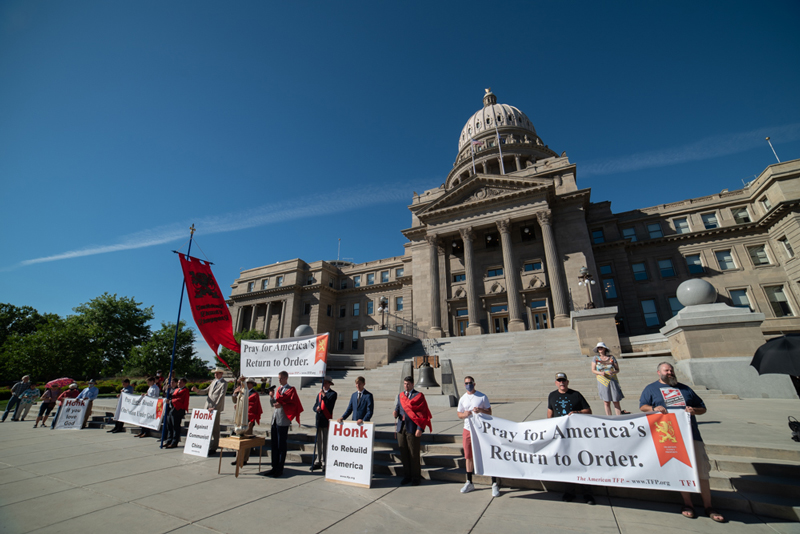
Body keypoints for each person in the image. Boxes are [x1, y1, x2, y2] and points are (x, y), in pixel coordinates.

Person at [640, 362, 725, 523]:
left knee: (702, 472)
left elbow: (702, 408)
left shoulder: (685, 389)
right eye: (667, 370)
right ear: (659, 372)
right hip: (670, 437)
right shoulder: (651, 389)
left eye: (671, 370)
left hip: (691, 434)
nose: (670, 372)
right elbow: (643, 406)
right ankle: (688, 504)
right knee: (680, 470)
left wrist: (694, 411)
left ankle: (709, 506)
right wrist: (654, 409)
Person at [547, 372, 594, 505]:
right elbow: (550, 411)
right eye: (559, 381)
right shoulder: (552, 395)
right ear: (556, 382)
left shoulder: (576, 395)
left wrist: (577, 413)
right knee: (566, 463)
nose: (561, 383)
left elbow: (588, 411)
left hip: (576, 435)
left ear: (568, 382)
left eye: (563, 380)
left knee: (582, 462)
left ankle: (588, 493)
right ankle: (569, 491)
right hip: (561, 435)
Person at [457, 376, 498, 496]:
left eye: (470, 383)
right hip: (468, 429)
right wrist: (464, 414)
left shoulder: (482, 396)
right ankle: (469, 481)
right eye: (466, 383)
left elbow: (490, 412)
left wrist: (480, 410)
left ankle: (494, 483)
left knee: (487, 455)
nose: (468, 385)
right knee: (468, 456)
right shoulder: (463, 399)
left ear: (474, 384)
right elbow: (459, 414)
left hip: (481, 430)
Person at [393, 375, 432, 486]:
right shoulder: (400, 396)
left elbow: (423, 413)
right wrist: (395, 412)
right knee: (404, 453)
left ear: (412, 384)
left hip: (413, 428)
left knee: (413, 454)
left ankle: (415, 477)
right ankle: (407, 476)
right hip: (401, 427)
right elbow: (398, 408)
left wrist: (420, 428)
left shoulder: (418, 396)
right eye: (405, 384)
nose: (406, 386)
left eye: (408, 384)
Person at [265, 370, 303, 477]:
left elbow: (292, 404)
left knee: (281, 444)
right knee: (274, 444)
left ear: (286, 378)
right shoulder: (278, 389)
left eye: (281, 378)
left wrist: (281, 405)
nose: (279, 380)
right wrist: (272, 397)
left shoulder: (291, 389)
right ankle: (274, 466)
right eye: (278, 378)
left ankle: (280, 468)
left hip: (283, 420)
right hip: (275, 419)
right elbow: (274, 403)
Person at [192, 367, 227, 452]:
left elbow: (221, 396)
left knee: (215, 428)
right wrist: (197, 391)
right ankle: (205, 445)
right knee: (206, 427)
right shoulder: (213, 382)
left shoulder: (224, 383)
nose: (216, 374)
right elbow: (205, 391)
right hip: (207, 407)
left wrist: (215, 406)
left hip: (215, 409)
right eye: (215, 373)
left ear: (221, 374)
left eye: (218, 373)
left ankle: (214, 446)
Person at [231, 377, 263, 464]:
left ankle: (244, 459)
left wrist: (252, 421)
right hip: (240, 418)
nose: (244, 384)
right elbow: (235, 401)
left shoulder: (254, 394)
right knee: (239, 439)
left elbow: (254, 409)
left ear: (251, 384)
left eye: (247, 383)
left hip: (248, 419)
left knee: (246, 441)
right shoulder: (241, 391)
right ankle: (238, 459)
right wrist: (235, 393)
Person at [591, 342, 626, 416]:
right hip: (602, 381)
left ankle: (619, 417)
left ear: (604, 349)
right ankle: (609, 417)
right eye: (598, 348)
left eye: (601, 347)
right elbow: (593, 370)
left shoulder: (611, 358)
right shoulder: (596, 358)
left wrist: (613, 372)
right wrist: (600, 373)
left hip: (612, 380)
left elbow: (617, 369)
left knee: (616, 400)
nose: (600, 349)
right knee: (606, 401)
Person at [312, 376, 337, 470]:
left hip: (326, 420)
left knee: (325, 442)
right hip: (319, 419)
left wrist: (324, 397)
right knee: (319, 441)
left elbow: (330, 406)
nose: (324, 384)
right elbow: (314, 406)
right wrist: (316, 409)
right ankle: (318, 460)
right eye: (323, 383)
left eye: (326, 383)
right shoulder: (319, 394)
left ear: (330, 384)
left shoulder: (333, 394)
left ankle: (324, 461)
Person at [165, 378, 190, 448]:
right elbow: (171, 396)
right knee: (169, 426)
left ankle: (174, 442)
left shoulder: (185, 390)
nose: (179, 384)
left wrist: (170, 401)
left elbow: (179, 400)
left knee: (175, 427)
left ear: (184, 383)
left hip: (178, 410)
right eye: (178, 382)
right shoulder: (176, 389)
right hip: (172, 409)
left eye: (181, 382)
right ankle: (169, 440)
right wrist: (168, 390)